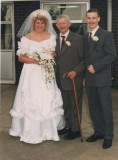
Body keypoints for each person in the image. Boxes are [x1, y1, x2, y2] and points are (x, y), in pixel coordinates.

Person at [9, 9, 64, 144]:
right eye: (37, 23)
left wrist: (48, 57)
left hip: (45, 72)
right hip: (30, 72)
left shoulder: (51, 37)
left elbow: (54, 54)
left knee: (47, 97)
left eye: (42, 23)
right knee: (30, 97)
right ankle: (29, 131)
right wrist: (37, 61)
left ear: (45, 24)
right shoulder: (26, 38)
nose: (39, 25)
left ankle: (48, 131)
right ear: (34, 24)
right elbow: (21, 58)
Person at [84, 8, 116, 149]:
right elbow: (85, 58)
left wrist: (96, 67)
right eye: (89, 18)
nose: (91, 21)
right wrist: (85, 76)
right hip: (90, 79)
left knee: (105, 108)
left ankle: (108, 136)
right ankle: (98, 132)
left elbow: (111, 55)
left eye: (93, 18)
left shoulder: (106, 35)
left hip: (102, 77)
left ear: (98, 19)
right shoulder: (86, 36)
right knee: (93, 108)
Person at [55, 15, 84, 140]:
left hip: (73, 78)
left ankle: (76, 130)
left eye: (64, 23)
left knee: (75, 105)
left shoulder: (77, 38)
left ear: (69, 24)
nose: (61, 25)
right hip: (60, 79)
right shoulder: (55, 39)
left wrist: (76, 72)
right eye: (59, 23)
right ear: (56, 25)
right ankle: (68, 126)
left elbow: (83, 59)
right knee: (66, 105)